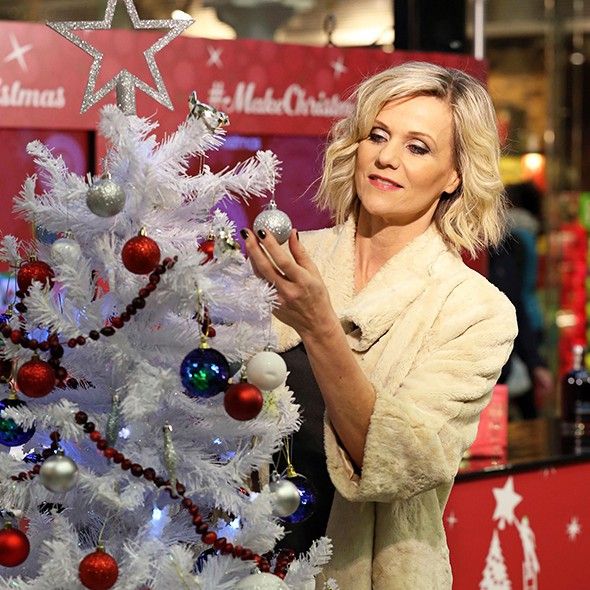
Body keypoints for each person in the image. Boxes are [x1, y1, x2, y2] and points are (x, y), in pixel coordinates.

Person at [240, 61, 517, 590]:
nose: (386, 157)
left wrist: (320, 327)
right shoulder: (296, 260)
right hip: (241, 561)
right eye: (378, 135)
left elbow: (398, 462)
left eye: (418, 147)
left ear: (455, 175)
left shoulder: (474, 310)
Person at [488, 181, 554, 419]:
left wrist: (534, 360)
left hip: (513, 329)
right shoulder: (524, 235)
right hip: (526, 317)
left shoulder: (508, 239)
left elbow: (513, 296)